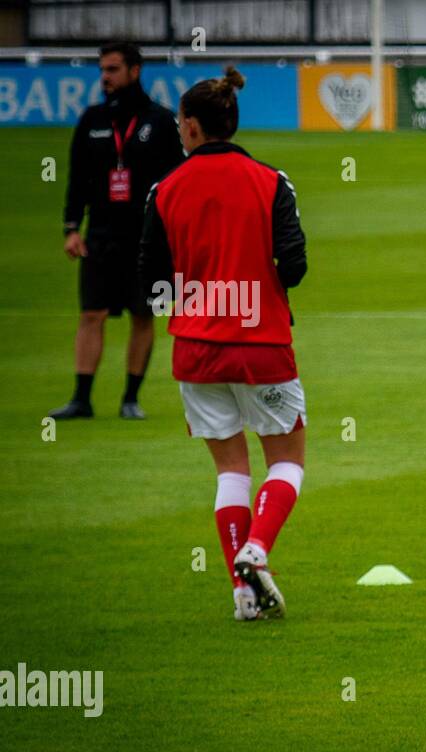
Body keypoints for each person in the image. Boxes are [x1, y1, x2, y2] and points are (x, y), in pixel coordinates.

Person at [139, 67, 308, 621]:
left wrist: (196, 303)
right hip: (261, 341)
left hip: (195, 348)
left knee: (230, 470)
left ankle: (242, 596)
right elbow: (297, 266)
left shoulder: (163, 191)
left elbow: (151, 283)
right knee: (287, 460)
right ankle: (256, 549)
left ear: (189, 126)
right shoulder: (271, 181)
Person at [53, 41, 185, 420]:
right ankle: (81, 398)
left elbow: (176, 180)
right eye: (102, 70)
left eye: (112, 70)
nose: (105, 78)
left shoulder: (159, 121)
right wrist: (72, 226)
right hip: (101, 236)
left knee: (143, 315)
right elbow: (77, 178)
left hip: (146, 238)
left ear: (134, 70)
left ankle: (130, 398)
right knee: (90, 313)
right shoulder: (92, 120)